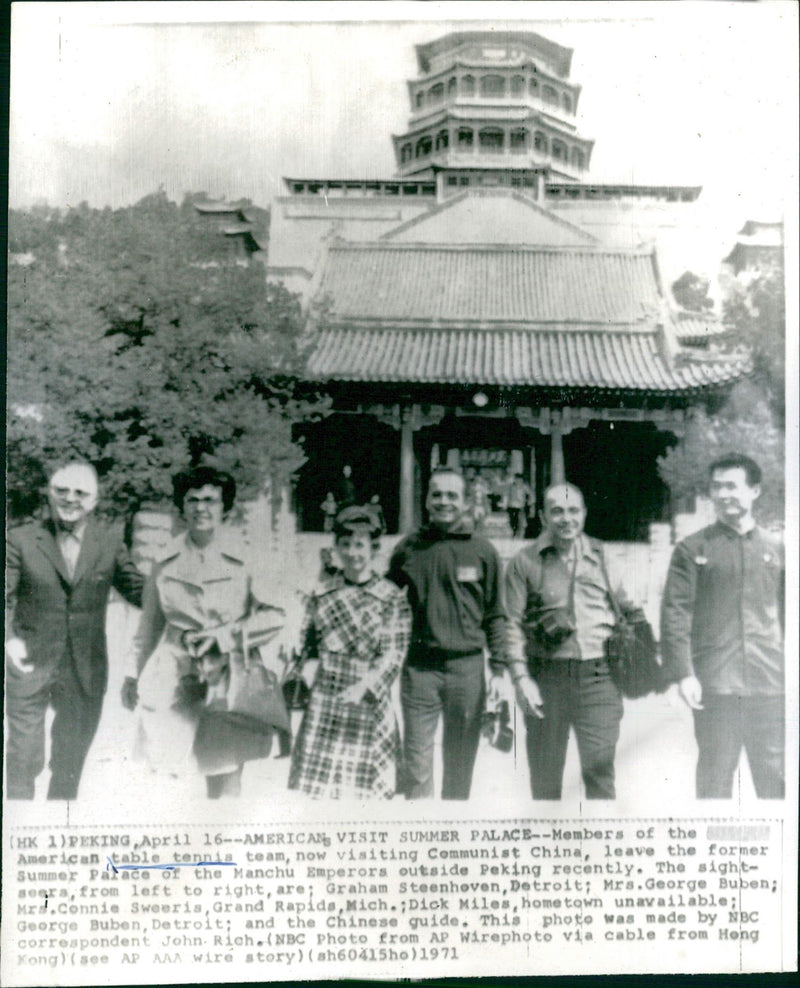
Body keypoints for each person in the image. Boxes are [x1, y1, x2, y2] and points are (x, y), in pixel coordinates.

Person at [121, 465, 285, 794]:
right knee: (166, 769)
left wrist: (224, 637)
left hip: (229, 675)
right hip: (173, 673)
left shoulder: (247, 555)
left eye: (211, 499)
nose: (201, 507)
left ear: (224, 506)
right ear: (182, 507)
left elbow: (275, 615)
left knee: (224, 768)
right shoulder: (164, 559)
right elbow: (149, 625)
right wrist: (132, 675)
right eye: (193, 499)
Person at [5, 461, 144, 800]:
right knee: (22, 757)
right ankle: (16, 833)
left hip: (85, 668)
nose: (70, 499)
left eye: (80, 493)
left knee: (69, 763)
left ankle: (56, 832)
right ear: (49, 494)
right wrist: (9, 641)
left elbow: (140, 590)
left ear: (95, 501)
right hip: (29, 663)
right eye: (61, 491)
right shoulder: (20, 540)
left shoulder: (109, 542)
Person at [660, 454, 784, 799]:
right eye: (717, 487)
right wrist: (683, 673)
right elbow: (676, 614)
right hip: (716, 686)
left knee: (778, 781)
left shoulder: (777, 549)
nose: (724, 494)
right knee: (714, 781)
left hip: (771, 685)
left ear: (755, 490)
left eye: (732, 486)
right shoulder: (692, 549)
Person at [504, 482, 635, 800]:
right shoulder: (525, 562)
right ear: (543, 515)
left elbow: (631, 608)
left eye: (573, 510)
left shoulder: (603, 557)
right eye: (557, 511)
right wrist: (521, 678)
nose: (566, 519)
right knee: (546, 781)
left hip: (599, 678)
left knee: (601, 778)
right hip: (547, 677)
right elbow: (510, 625)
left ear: (584, 513)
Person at [388, 467, 506, 800]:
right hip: (419, 669)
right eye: (436, 494)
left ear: (467, 502)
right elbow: (382, 600)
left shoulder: (484, 551)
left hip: (467, 671)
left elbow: (496, 613)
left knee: (460, 766)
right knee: (416, 767)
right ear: (426, 500)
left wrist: (498, 669)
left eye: (452, 495)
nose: (444, 502)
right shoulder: (409, 549)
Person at [289, 506, 411, 799]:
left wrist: (365, 686)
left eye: (360, 545)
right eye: (345, 544)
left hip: (368, 702)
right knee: (320, 794)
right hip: (326, 701)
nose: (353, 553)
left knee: (365, 795)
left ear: (374, 549)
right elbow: (302, 642)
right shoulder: (321, 593)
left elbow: (393, 654)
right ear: (336, 548)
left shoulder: (391, 597)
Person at [507, 473, 533, 539]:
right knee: (512, 520)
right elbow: (507, 495)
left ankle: (519, 533)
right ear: (515, 480)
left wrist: (530, 502)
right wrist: (506, 503)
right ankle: (514, 531)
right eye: (517, 479)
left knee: (520, 520)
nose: (518, 481)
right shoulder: (511, 487)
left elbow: (531, 494)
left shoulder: (524, 487)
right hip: (512, 506)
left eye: (519, 480)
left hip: (520, 506)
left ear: (522, 480)